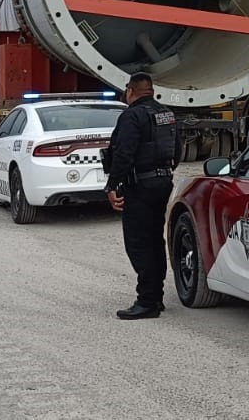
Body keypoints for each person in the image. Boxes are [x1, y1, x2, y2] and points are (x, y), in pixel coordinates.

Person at [105, 72, 179, 320]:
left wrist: (112, 186)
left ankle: (147, 301)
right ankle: (155, 298)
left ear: (131, 91)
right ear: (152, 90)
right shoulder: (166, 114)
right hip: (162, 182)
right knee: (155, 241)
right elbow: (177, 152)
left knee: (138, 244)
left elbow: (123, 153)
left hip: (140, 186)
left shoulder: (131, 116)